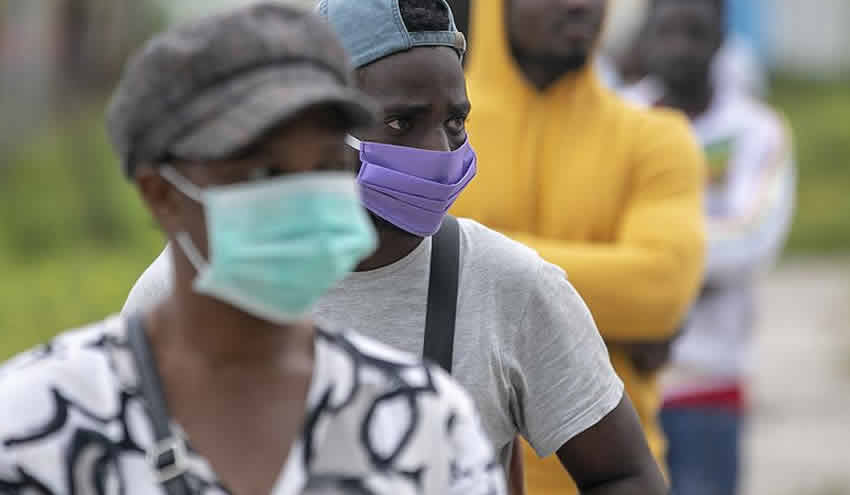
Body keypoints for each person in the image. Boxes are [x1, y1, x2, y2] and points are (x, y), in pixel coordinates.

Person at [122, 0, 669, 493]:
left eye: (456, 121)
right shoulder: (190, 293)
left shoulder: (510, 288)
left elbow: (621, 473)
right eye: (401, 122)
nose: (437, 151)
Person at [0, 4, 508, 494]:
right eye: (264, 172)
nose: (305, 199)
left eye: (327, 165)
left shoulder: (425, 421)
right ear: (162, 194)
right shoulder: (38, 423)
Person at [447, 0, 707, 493]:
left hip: (616, 476)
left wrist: (466, 258)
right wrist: (604, 309)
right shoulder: (437, 136)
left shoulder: (657, 138)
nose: (579, 5)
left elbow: (660, 290)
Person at [623, 1, 795, 493]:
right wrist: (690, 271)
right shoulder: (619, 120)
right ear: (646, 39)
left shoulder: (757, 130)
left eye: (694, 33)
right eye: (666, 32)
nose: (679, 47)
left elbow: (753, 240)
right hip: (621, 381)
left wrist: (641, 265)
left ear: (721, 41)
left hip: (709, 383)